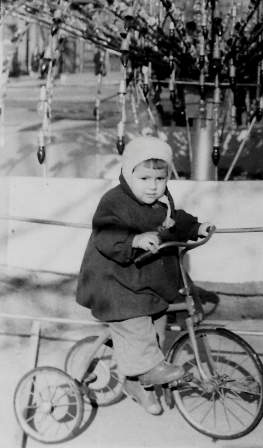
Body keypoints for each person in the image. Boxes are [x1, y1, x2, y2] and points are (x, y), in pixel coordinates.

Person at [76, 136, 214, 415]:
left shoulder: (161, 202)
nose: (153, 186)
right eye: (144, 178)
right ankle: (149, 370)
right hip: (112, 280)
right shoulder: (114, 202)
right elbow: (105, 235)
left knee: (156, 323)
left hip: (141, 279)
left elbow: (173, 221)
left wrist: (196, 227)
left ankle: (138, 383)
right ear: (129, 174)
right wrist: (134, 240)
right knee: (135, 319)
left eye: (160, 179)